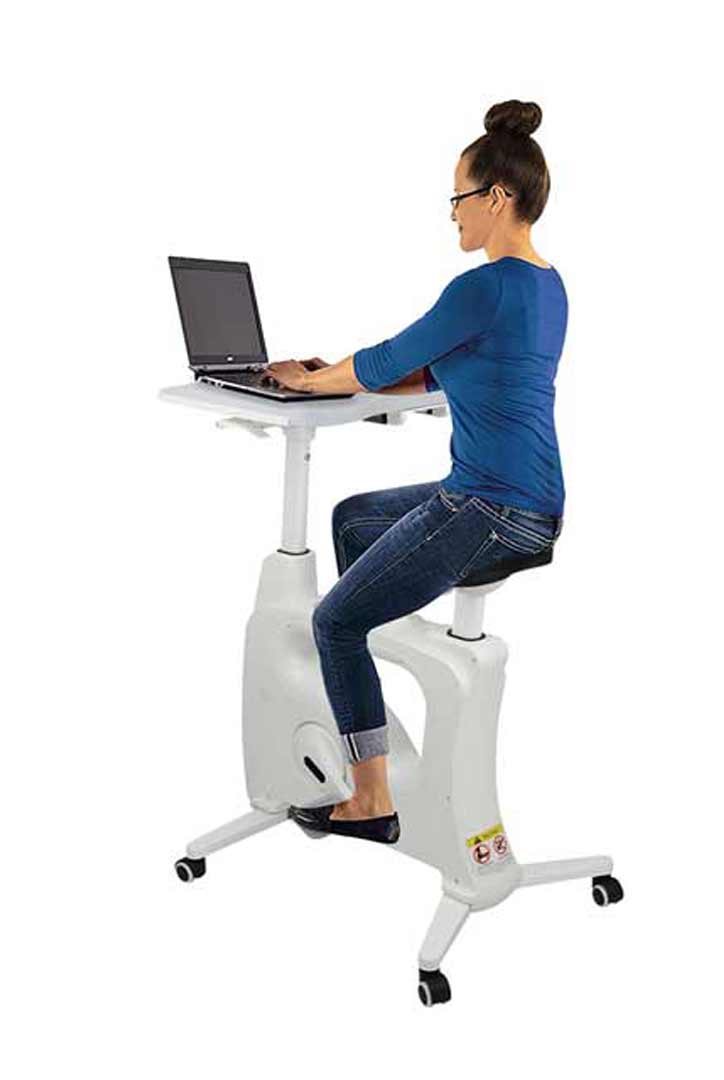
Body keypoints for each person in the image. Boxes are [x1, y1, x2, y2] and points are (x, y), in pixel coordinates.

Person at [264, 99, 567, 844]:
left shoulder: (482, 286)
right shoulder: (546, 284)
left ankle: (370, 799)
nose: (452, 212)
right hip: (533, 502)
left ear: (497, 197)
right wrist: (341, 375)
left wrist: (310, 381)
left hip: (489, 508)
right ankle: (371, 673)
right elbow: (437, 369)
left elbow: (392, 359)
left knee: (333, 621)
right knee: (353, 519)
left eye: (460, 196)